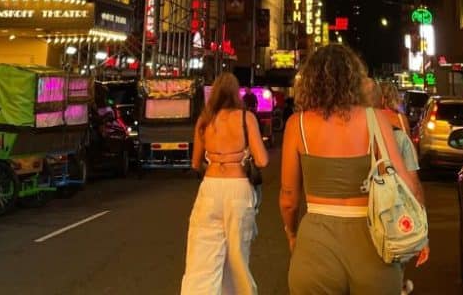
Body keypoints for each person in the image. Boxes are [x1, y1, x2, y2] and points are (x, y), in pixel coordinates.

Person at [282, 44, 428, 295]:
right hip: (374, 245)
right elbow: (408, 184)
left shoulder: (298, 125)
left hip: (315, 247)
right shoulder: (376, 119)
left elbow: (288, 199)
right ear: (355, 80)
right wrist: (420, 232)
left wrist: (292, 233)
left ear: (310, 82)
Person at [181, 72, 269, 294]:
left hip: (210, 187)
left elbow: (195, 163)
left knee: (202, 259)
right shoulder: (246, 118)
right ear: (235, 93)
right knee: (237, 259)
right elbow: (262, 160)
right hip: (238, 187)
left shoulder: (204, 121)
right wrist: (242, 155)